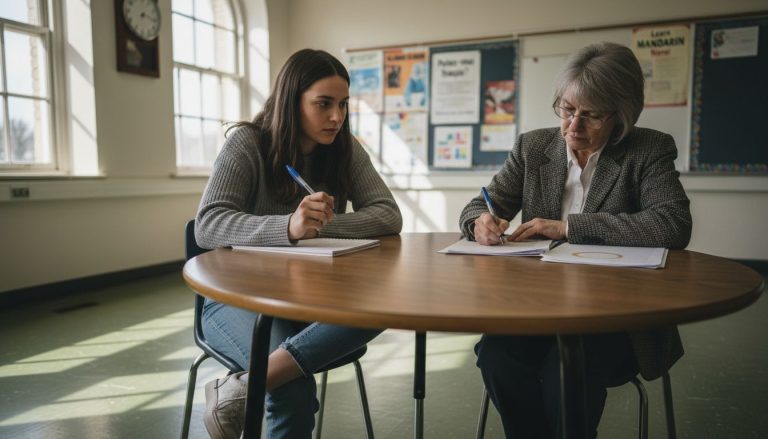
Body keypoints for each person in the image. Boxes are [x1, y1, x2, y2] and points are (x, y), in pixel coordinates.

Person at [458, 42, 692, 438]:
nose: (572, 127)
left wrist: (568, 227)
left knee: (568, 369)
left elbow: (671, 224)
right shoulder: (534, 147)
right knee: (497, 356)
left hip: (616, 317)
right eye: (566, 110)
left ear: (621, 115)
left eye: (590, 115)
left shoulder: (648, 150)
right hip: (536, 309)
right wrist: (478, 223)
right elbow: (477, 206)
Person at [195, 48, 403, 439]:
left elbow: (388, 214)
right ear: (291, 102)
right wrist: (288, 227)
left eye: (342, 104)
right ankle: (266, 378)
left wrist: (323, 225)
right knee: (292, 389)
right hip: (239, 297)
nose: (337, 117)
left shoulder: (345, 147)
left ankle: (241, 386)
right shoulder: (247, 144)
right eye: (323, 104)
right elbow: (208, 225)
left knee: (385, 306)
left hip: (312, 295)